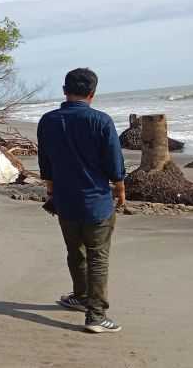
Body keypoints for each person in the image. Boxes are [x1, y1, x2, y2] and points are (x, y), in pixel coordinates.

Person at [37, 68, 126, 333]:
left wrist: (51, 190)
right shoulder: (101, 121)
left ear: (65, 90)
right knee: (97, 257)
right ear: (92, 94)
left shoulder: (48, 121)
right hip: (95, 200)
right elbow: (114, 162)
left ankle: (81, 296)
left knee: (75, 252)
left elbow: (46, 161)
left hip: (65, 200)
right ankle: (96, 316)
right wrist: (120, 187)